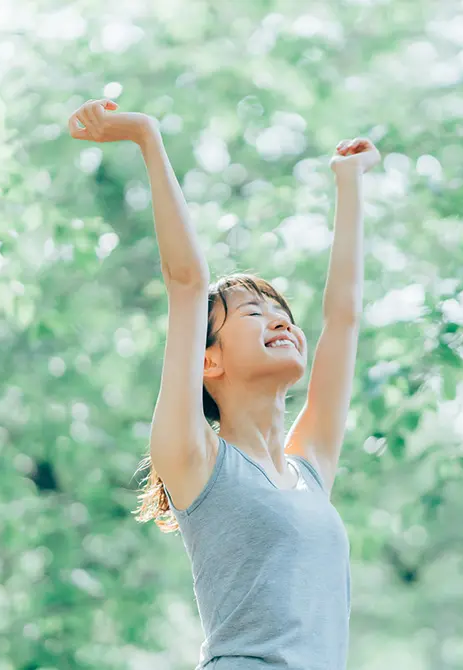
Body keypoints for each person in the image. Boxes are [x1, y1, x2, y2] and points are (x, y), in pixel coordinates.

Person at [68, 98, 380, 670]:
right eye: (254, 314)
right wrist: (146, 136)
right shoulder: (196, 460)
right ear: (207, 361)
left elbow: (344, 319)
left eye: (283, 312)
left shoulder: (310, 470)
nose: (281, 320)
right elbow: (187, 282)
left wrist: (350, 182)